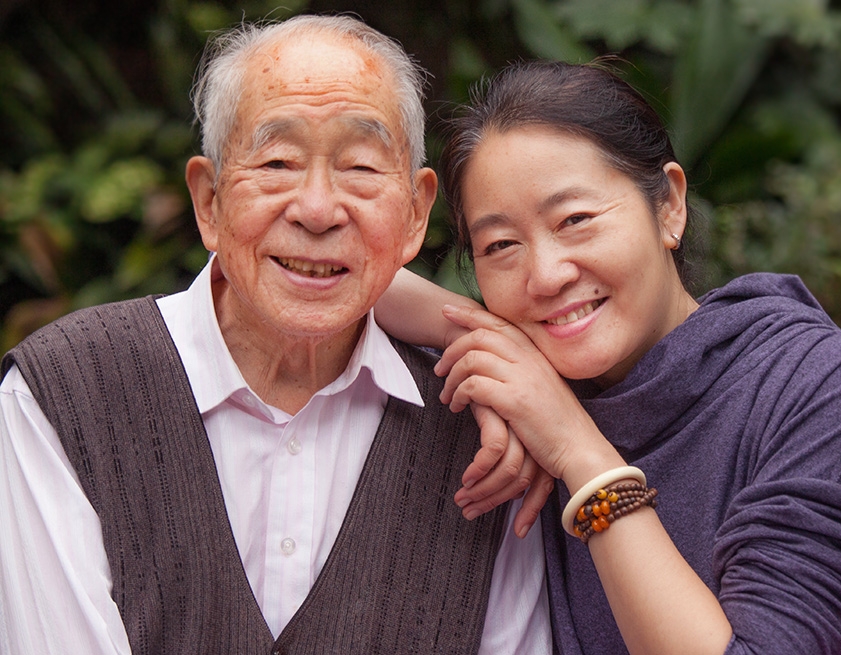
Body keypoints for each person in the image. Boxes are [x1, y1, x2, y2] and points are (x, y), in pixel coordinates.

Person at [377, 60, 841, 654]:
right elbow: (336, 282)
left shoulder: (825, 386)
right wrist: (478, 333)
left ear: (669, 205)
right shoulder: (524, 383)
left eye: (576, 219)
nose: (546, 275)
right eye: (500, 245)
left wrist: (578, 450)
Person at [0, 15, 550, 654]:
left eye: (361, 167)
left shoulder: (481, 433)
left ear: (416, 214)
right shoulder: (63, 397)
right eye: (278, 161)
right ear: (208, 203)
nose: (317, 209)